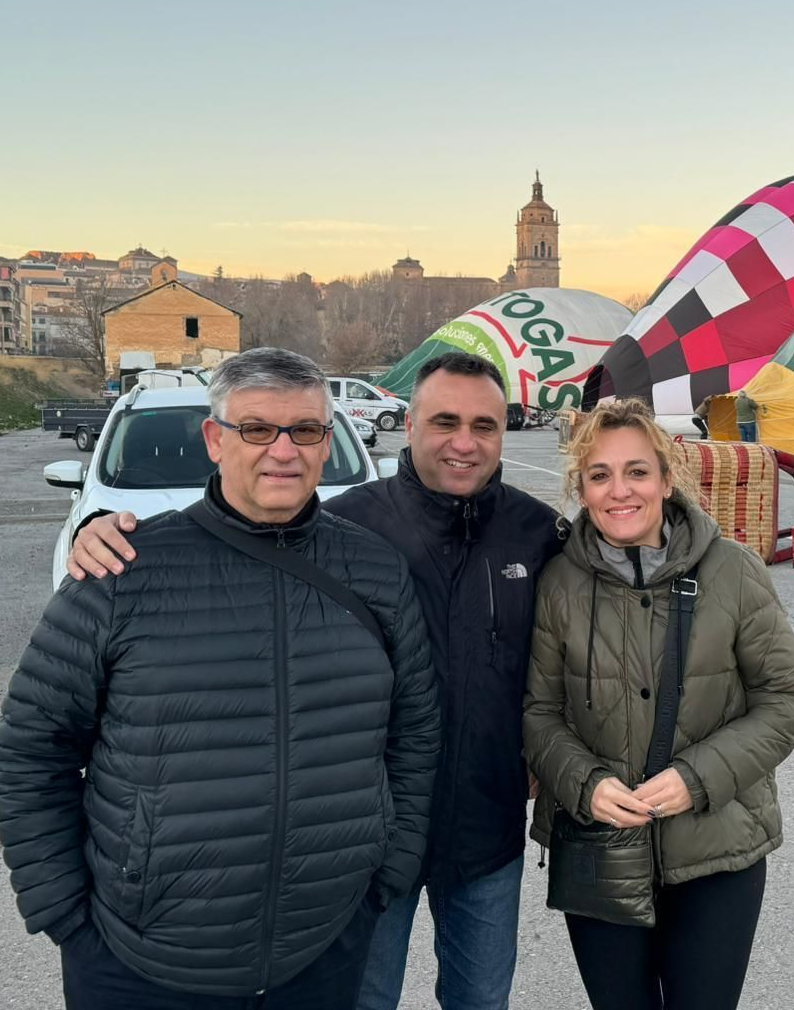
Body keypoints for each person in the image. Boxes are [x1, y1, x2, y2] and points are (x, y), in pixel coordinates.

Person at [65, 350, 563, 1010]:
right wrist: (106, 532)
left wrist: (545, 751)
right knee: (365, 999)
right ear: (409, 424)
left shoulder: (539, 533)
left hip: (488, 826)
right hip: (366, 838)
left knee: (482, 1000)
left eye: (484, 425)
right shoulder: (348, 526)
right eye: (445, 422)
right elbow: (234, 533)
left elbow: (589, 634)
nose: (464, 443)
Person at [0, 347, 441, 1008]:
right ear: (214, 439)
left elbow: (415, 733)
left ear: (327, 441)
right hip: (138, 961)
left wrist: (385, 876)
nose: (282, 451)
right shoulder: (122, 572)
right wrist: (64, 913)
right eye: (256, 429)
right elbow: (32, 752)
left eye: (305, 430)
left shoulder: (374, 570)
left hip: (322, 948)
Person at [524, 398, 794, 1010]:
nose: (619, 490)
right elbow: (539, 712)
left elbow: (785, 699)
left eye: (636, 471)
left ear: (666, 479)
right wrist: (585, 783)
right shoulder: (558, 584)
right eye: (599, 475)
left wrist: (696, 778)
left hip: (717, 848)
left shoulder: (733, 570)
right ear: (581, 489)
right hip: (598, 846)